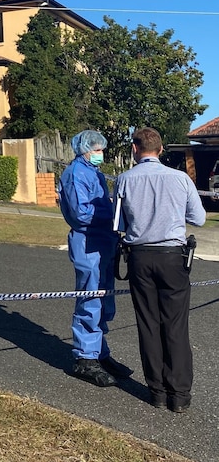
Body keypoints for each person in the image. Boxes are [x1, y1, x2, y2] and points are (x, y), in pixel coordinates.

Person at [114, 127, 206, 412]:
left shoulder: (124, 180)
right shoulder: (180, 179)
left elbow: (117, 224)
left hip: (140, 257)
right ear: (161, 150)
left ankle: (156, 391)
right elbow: (199, 218)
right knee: (176, 326)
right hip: (172, 256)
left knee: (149, 325)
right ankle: (179, 395)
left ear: (134, 149)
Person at [59, 130, 132, 387]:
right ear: (84, 149)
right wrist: (111, 213)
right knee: (90, 298)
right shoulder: (76, 173)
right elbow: (81, 213)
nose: (100, 153)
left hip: (104, 242)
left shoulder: (94, 172)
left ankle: (99, 352)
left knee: (104, 300)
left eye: (102, 149)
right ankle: (85, 358)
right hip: (88, 242)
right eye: (97, 149)